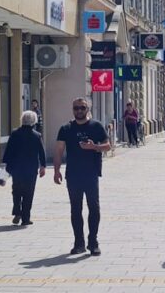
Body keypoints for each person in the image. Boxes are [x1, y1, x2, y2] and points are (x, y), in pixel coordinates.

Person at [54, 98, 110, 256]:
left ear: (87, 108)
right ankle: (79, 243)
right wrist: (56, 170)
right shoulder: (66, 128)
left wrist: (95, 147)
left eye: (82, 108)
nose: (79, 110)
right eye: (76, 108)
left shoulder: (96, 126)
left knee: (94, 207)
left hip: (91, 174)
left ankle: (93, 242)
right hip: (73, 175)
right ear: (72, 109)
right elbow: (58, 150)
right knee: (75, 209)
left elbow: (108, 145)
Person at [3, 110, 46, 226]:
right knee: (29, 192)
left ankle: (17, 212)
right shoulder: (36, 136)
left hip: (16, 168)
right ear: (34, 121)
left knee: (16, 190)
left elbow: (9, 150)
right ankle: (26, 218)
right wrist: (43, 166)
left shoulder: (15, 133)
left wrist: (6, 164)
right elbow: (41, 152)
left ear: (22, 120)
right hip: (31, 169)